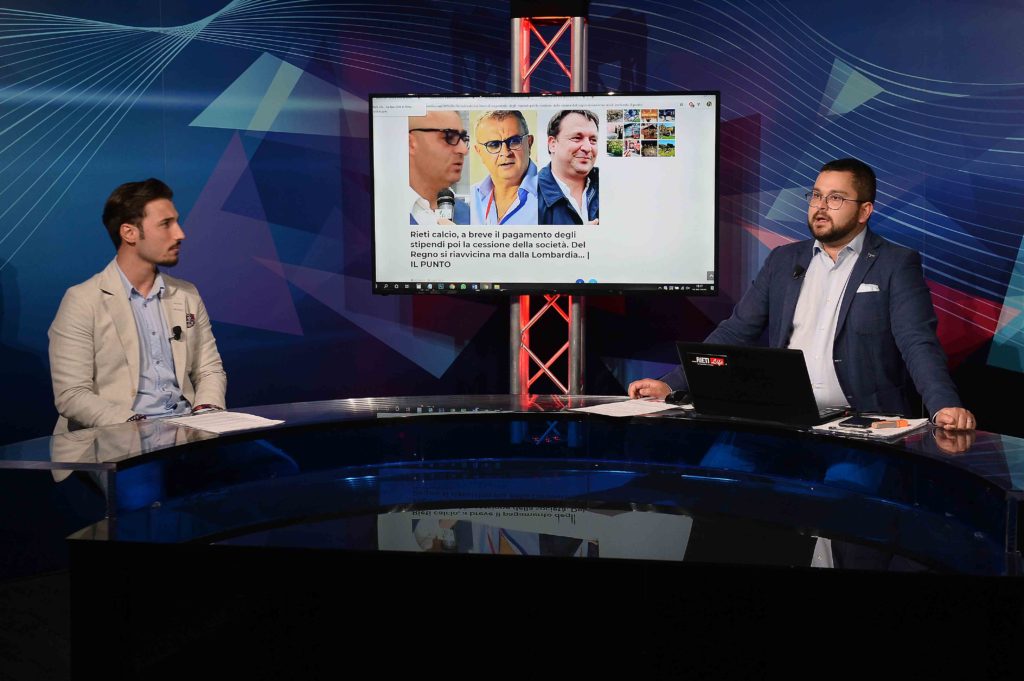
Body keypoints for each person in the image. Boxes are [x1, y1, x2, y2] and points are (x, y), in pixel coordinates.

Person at [628, 158, 975, 431]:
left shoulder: (895, 263)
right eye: (816, 195)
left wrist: (944, 405)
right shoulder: (783, 260)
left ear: (864, 211)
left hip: (863, 421)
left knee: (843, 487)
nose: (820, 206)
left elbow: (917, 343)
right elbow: (736, 331)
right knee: (724, 467)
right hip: (785, 418)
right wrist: (671, 384)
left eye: (835, 198)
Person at [48, 178, 227, 433]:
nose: (180, 234)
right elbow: (72, 394)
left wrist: (207, 415)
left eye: (176, 222)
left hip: (187, 430)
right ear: (129, 233)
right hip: (119, 436)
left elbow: (209, 369)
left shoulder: (187, 294)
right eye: (166, 224)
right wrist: (137, 427)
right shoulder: (82, 300)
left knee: (267, 454)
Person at [469, 110, 538, 225]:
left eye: (514, 141)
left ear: (529, 143)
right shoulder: (470, 199)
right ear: (479, 152)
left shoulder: (551, 196)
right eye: (493, 145)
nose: (505, 153)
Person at [538, 109, 600, 225]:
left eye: (593, 140)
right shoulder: (529, 196)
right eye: (577, 138)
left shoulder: (612, 187)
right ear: (552, 144)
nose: (587, 148)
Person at [408, 110, 470, 225]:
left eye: (463, 139)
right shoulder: (381, 212)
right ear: (410, 143)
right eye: (449, 137)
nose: (464, 150)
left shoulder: (472, 217)